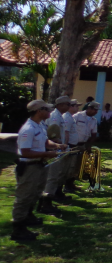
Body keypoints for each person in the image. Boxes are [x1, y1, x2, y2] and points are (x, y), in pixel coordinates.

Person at [11, 100, 67, 242]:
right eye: (47, 109)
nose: (49, 112)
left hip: (39, 166)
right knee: (24, 196)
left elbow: (45, 142)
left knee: (35, 193)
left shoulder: (40, 125)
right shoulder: (28, 129)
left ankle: (28, 216)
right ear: (39, 111)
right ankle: (18, 228)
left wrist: (57, 146)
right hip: (29, 167)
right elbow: (25, 152)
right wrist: (47, 154)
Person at [41, 95, 71, 209]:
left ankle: (50, 198)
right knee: (52, 177)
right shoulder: (55, 116)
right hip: (53, 150)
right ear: (60, 105)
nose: (69, 106)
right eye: (68, 104)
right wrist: (58, 145)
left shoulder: (60, 116)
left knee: (56, 175)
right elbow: (52, 135)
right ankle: (46, 202)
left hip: (57, 149)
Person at [62, 99, 80, 194]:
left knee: (72, 167)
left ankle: (70, 184)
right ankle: (66, 186)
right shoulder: (67, 117)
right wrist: (66, 146)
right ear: (71, 106)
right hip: (69, 145)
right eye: (76, 106)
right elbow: (66, 132)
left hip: (73, 145)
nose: (78, 108)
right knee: (68, 167)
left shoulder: (71, 117)